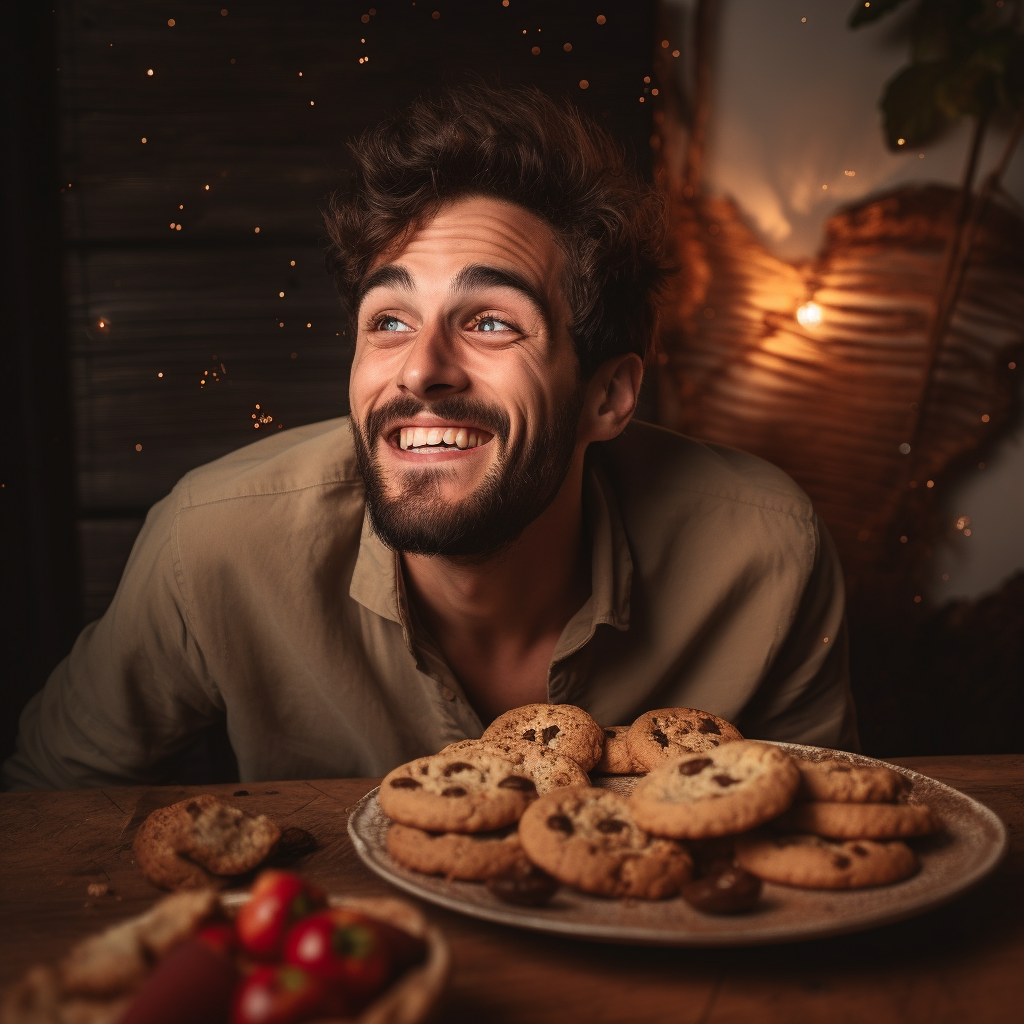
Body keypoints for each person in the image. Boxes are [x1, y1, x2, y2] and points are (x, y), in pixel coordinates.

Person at [3, 85, 857, 790]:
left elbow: (817, 850)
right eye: (390, 320)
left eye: (489, 321)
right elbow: (39, 808)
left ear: (608, 395)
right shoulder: (213, 542)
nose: (420, 370)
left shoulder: (765, 554)